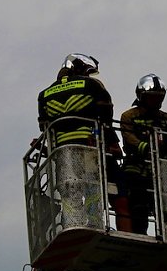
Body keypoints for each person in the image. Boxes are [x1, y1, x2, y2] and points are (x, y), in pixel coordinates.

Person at [36, 54, 128, 230]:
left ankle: (73, 225)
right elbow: (106, 116)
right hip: (89, 147)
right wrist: (111, 143)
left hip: (63, 151)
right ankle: (94, 224)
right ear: (79, 68)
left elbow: (44, 126)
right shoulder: (91, 85)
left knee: (70, 189)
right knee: (93, 186)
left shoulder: (44, 95)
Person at [120, 73, 167, 234]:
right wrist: (145, 147)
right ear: (141, 96)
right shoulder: (129, 116)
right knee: (138, 204)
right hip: (135, 166)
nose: (155, 101)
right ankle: (140, 234)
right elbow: (129, 137)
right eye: (151, 97)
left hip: (161, 168)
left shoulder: (166, 119)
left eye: (158, 98)